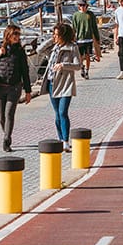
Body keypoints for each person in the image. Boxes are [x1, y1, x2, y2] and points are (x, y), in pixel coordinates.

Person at [0, 24, 32, 152]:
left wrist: (28, 91)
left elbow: (25, 72)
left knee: (9, 114)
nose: (17, 37)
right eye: (14, 34)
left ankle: (6, 140)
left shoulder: (20, 52)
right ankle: (7, 134)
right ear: (8, 35)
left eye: (18, 34)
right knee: (1, 117)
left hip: (14, 88)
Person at [40, 22, 79, 151]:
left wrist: (64, 65)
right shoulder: (54, 46)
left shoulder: (72, 47)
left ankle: (66, 141)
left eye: (57, 35)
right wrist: (51, 40)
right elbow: (39, 50)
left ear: (64, 36)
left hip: (65, 83)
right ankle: (60, 138)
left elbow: (78, 65)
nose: (55, 37)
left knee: (63, 112)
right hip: (52, 83)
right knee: (57, 113)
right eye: (54, 34)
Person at [70, 0, 100, 79]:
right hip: (79, 39)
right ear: (78, 7)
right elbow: (74, 27)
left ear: (86, 6)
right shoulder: (75, 15)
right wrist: (72, 38)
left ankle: (87, 71)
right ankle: (82, 67)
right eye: (81, 5)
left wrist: (97, 38)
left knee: (87, 55)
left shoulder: (90, 14)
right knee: (80, 56)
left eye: (84, 5)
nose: (82, 7)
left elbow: (94, 27)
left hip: (89, 38)